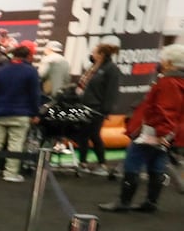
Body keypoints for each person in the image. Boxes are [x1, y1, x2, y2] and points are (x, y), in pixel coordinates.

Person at [98, 42, 184, 213]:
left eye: (164, 60)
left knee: (132, 164)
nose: (161, 63)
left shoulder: (168, 82)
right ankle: (151, 202)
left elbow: (165, 109)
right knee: (157, 165)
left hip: (152, 132)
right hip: (164, 133)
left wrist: (162, 132)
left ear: (170, 63)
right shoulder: (178, 82)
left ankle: (124, 202)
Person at [0, 44, 42, 182]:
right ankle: (10, 174)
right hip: (21, 114)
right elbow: (35, 94)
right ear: (29, 56)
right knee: (16, 144)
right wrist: (35, 113)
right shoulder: (31, 71)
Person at [76, 41, 122, 175]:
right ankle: (83, 162)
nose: (92, 54)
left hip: (97, 109)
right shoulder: (93, 67)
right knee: (83, 135)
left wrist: (105, 110)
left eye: (94, 52)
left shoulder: (111, 69)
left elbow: (111, 92)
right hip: (85, 106)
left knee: (94, 135)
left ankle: (102, 164)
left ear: (101, 54)